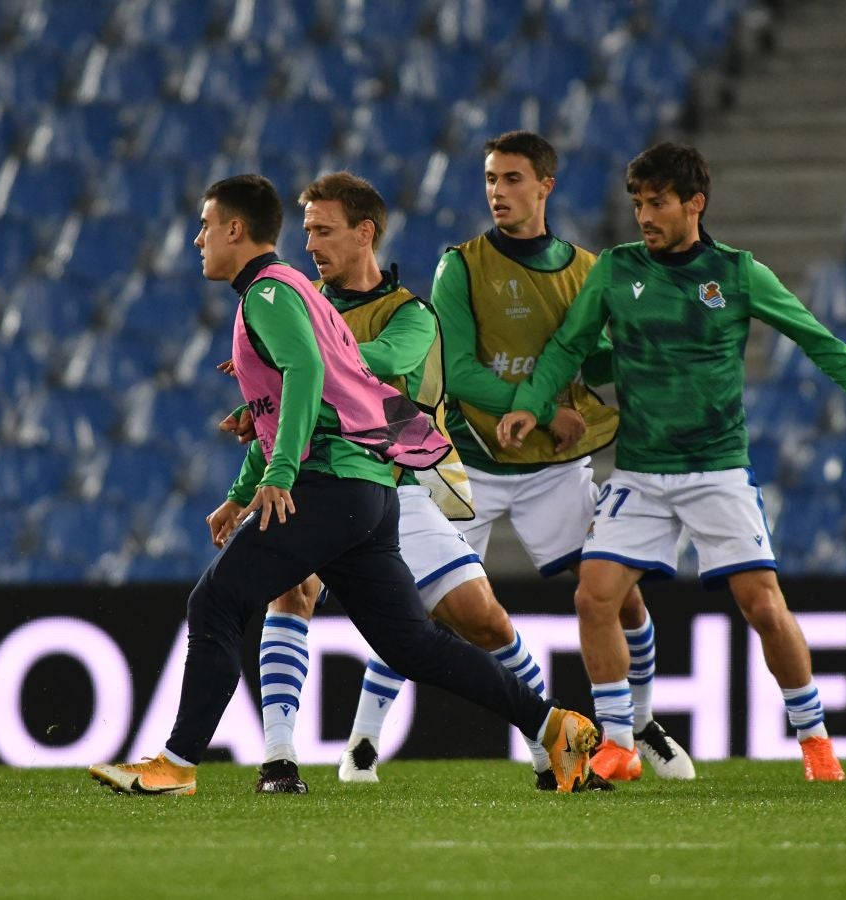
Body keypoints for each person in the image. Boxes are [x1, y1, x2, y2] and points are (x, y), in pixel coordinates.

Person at [88, 174, 599, 796]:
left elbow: (304, 373)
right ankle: (554, 727)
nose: (196, 241)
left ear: (234, 230)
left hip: (330, 484)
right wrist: (243, 489)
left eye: (204, 226)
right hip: (368, 494)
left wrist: (276, 477)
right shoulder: (300, 291)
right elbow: (283, 404)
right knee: (412, 645)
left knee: (216, 603)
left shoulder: (272, 295)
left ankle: (176, 763)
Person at [497, 142, 846, 782]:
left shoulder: (739, 273)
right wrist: (531, 403)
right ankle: (617, 740)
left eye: (658, 203)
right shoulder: (615, 271)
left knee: (763, 607)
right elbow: (567, 347)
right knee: (593, 598)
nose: (645, 215)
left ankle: (814, 740)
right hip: (639, 473)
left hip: (717, 472)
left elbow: (818, 340)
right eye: (638, 203)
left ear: (694, 203)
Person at [431, 130, 694, 782]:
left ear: (545, 185)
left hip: (556, 469)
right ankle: (540, 727)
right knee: (449, 612)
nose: (498, 191)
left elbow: (596, 357)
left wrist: (649, 358)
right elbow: (455, 372)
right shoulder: (459, 265)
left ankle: (639, 719)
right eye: (491, 179)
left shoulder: (586, 268)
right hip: (474, 465)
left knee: (618, 598)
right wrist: (545, 406)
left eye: (512, 178)